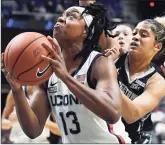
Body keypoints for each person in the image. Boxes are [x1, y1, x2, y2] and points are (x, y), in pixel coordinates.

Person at [1, 3, 131, 143]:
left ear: (85, 32)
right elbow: (33, 130)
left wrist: (65, 77)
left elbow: (112, 113)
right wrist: (17, 89)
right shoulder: (47, 73)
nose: (61, 19)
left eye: (71, 17)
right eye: (61, 16)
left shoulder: (99, 63)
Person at [105, 4, 165, 143]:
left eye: (143, 35)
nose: (135, 37)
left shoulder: (157, 81)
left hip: (133, 138)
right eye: (134, 33)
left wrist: (108, 76)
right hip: (104, 130)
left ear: (157, 46)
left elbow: (131, 114)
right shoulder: (116, 56)